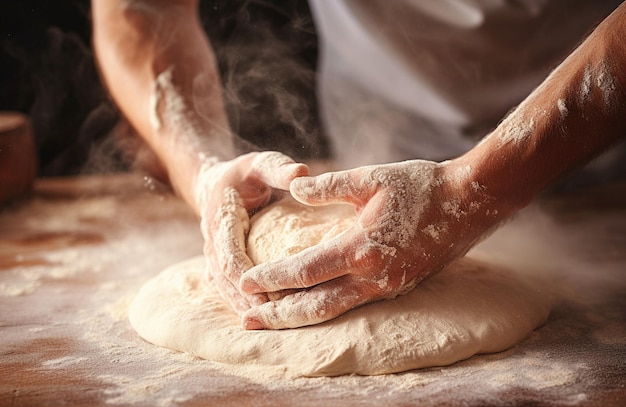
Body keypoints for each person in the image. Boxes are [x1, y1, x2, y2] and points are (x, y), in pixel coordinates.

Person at [91, 0, 626, 330]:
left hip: (596, 148)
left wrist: (474, 190)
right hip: (375, 152)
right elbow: (143, 9)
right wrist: (202, 169)